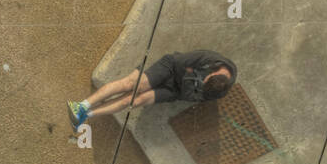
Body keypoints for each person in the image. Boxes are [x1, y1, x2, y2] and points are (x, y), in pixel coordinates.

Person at [66, 49, 237, 130]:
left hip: (175, 91)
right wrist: (190, 80)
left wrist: (189, 76)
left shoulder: (217, 91)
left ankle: (86, 114)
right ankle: (82, 105)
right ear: (215, 72)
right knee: (131, 85)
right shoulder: (211, 58)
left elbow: (188, 96)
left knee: (133, 100)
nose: (203, 81)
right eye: (205, 78)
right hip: (169, 67)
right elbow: (178, 62)